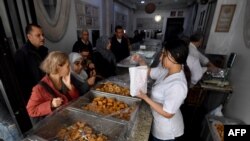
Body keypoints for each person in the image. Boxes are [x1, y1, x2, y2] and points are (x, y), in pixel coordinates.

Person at [132, 39, 190, 141]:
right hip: (159, 124)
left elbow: (168, 113)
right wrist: (140, 60)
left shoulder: (178, 84)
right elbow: (148, 71)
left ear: (175, 56)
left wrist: (145, 97)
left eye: (163, 54)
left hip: (167, 132)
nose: (160, 58)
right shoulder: (167, 71)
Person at [26, 51, 79, 125]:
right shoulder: (39, 89)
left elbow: (76, 100)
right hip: (55, 125)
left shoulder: (66, 78)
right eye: (67, 66)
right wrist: (51, 104)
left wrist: (71, 87)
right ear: (58, 67)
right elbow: (31, 110)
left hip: (69, 120)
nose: (70, 69)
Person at [14, 23, 48, 104]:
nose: (42, 38)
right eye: (38, 35)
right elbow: (22, 82)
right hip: (34, 96)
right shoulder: (21, 54)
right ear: (29, 37)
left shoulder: (43, 50)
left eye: (42, 34)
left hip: (46, 90)